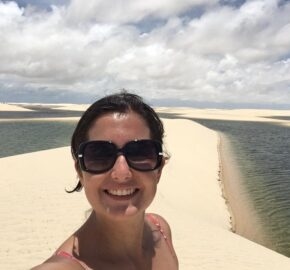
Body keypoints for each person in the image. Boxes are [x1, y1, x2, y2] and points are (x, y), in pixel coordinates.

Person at [31, 91, 178, 270]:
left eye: (139, 152)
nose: (121, 172)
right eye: (99, 154)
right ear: (80, 171)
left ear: (159, 169)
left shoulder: (160, 229)